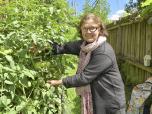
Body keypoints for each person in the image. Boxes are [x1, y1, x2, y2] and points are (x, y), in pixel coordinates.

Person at [47, 13, 126, 114]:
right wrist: (44, 47)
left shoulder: (104, 51)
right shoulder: (84, 45)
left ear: (100, 29)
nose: (88, 32)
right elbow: (64, 47)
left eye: (92, 28)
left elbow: (85, 77)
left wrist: (60, 82)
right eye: (85, 28)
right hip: (96, 96)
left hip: (110, 101)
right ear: (81, 30)